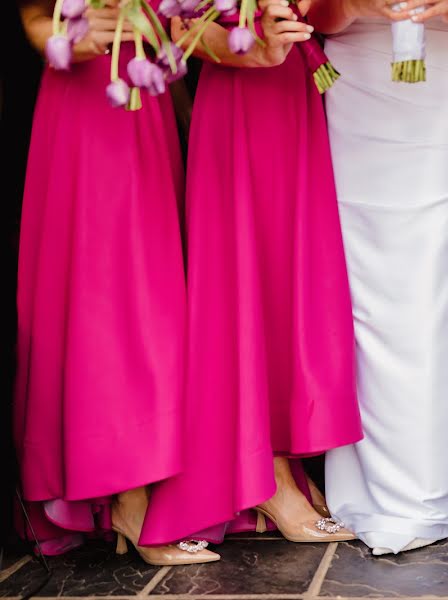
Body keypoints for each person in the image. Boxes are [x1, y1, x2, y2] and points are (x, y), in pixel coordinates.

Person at [140, 0, 362, 546]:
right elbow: (181, 24)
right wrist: (248, 45)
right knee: (249, 274)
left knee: (295, 280)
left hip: (297, 89)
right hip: (240, 90)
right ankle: (261, 473)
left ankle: (283, 461)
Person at [14, 0, 217, 564]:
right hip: (87, 101)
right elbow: (33, 15)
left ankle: (141, 486)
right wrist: (65, 39)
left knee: (152, 299)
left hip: (147, 102)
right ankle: (128, 496)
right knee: (107, 299)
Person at [308, 0, 448, 554]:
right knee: (366, 279)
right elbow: (309, 16)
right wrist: (353, 6)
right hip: (354, 84)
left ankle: (440, 479)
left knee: (437, 277)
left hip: (442, 87)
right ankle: (366, 481)